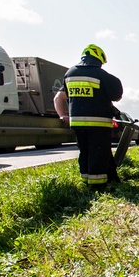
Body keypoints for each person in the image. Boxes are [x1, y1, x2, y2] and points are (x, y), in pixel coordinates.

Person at [54, 44, 123, 190]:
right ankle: (98, 187)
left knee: (84, 151)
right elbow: (116, 95)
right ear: (98, 59)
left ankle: (85, 181)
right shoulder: (102, 75)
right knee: (98, 153)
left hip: (77, 123)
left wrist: (63, 115)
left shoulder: (70, 73)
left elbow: (58, 98)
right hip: (99, 123)